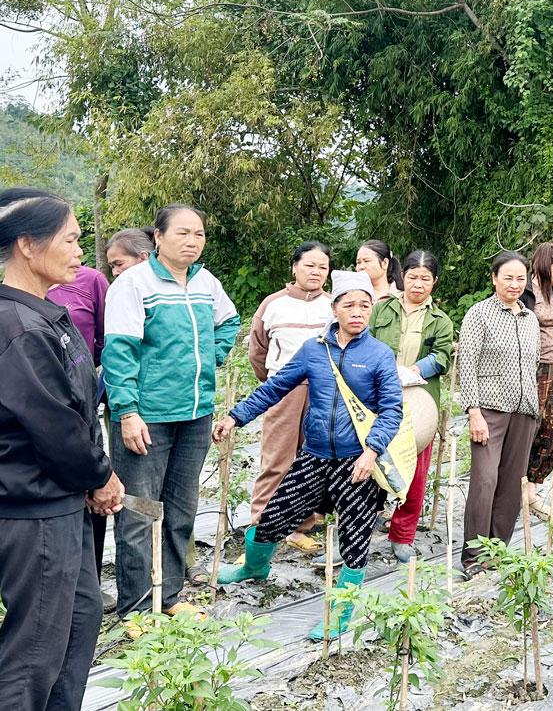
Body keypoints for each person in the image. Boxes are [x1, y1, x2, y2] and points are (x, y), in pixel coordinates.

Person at [214, 271, 402, 639]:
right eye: (349, 304)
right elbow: (274, 388)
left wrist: (372, 451)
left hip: (356, 461)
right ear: (334, 309)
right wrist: (235, 417)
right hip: (314, 456)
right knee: (273, 517)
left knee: (354, 537)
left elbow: (393, 409)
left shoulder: (379, 355)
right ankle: (254, 567)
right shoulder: (315, 350)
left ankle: (340, 614)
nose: (357, 312)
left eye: (364, 305)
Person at [0, 189, 124, 711]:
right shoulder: (18, 327)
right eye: (71, 239)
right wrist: (100, 476)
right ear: (28, 245)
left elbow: (79, 407)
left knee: (77, 622)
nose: (80, 251)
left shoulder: (48, 315)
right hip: (34, 510)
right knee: (33, 651)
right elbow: (53, 426)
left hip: (62, 502)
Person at [103, 204, 241, 619]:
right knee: (140, 510)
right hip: (147, 416)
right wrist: (126, 411)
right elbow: (119, 351)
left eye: (198, 234)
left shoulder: (206, 283)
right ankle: (137, 607)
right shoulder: (134, 284)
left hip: (195, 413)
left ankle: (170, 596)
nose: (192, 241)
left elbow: (230, 322)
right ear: (158, 238)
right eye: (182, 233)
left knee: (181, 509)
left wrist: (208, 357)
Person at [456, 251, 541, 579]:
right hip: (489, 410)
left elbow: (532, 366)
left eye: (521, 278)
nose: (515, 284)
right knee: (485, 480)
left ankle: (497, 552)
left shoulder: (529, 318)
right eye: (508, 277)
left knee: (511, 485)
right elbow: (468, 365)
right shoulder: (479, 314)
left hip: (524, 411)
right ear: (494, 279)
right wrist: (473, 411)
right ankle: (474, 557)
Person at [245, 242, 334, 555]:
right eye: (309, 265)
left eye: (322, 267)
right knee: (277, 457)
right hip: (284, 389)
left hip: (324, 391)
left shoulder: (334, 305)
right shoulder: (274, 304)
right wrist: (276, 383)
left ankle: (299, 526)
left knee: (312, 458)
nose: (316, 272)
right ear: (294, 267)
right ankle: (261, 525)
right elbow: (258, 351)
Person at [370, 250, 455, 563]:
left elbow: (443, 356)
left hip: (419, 402)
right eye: (413, 277)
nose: (418, 284)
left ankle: (402, 535)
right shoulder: (381, 311)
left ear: (434, 282)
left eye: (426, 279)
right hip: (377, 397)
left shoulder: (440, 321)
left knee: (416, 471)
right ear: (401, 276)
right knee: (370, 463)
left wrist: (416, 370)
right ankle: (359, 529)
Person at [519, 242, 553, 519]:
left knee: (552, 428)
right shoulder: (526, 293)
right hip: (532, 369)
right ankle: (516, 487)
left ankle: (532, 492)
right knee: (528, 425)